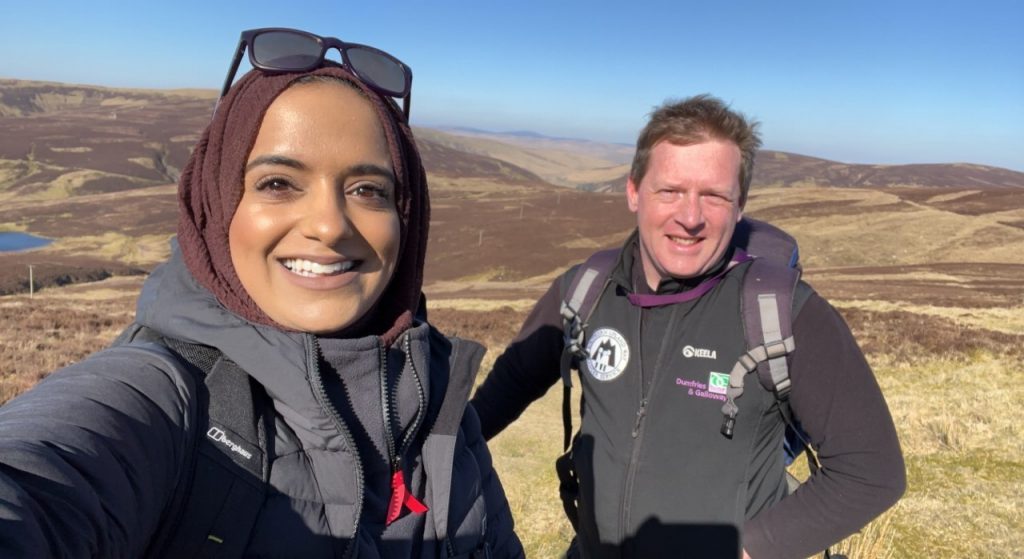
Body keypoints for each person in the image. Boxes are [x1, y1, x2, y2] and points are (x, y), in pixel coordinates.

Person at [0, 28, 523, 558]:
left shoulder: (437, 393)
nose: (329, 225)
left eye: (368, 190)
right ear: (216, 202)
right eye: (278, 183)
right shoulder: (159, 395)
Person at [470, 94, 905, 559]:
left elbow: (872, 471)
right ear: (634, 191)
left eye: (714, 195)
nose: (691, 217)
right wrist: (430, 464)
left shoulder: (785, 313)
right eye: (670, 190)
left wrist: (747, 550)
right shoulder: (585, 291)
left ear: (740, 205)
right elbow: (509, 386)